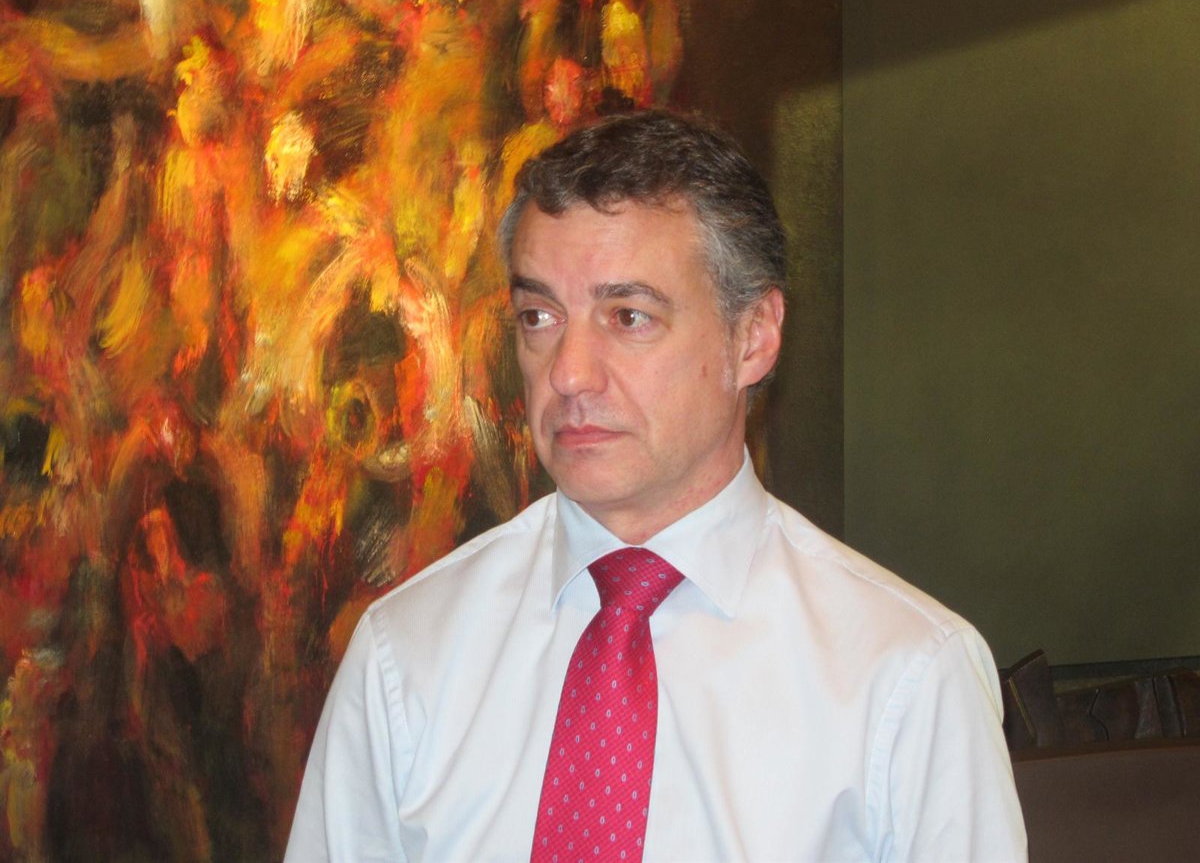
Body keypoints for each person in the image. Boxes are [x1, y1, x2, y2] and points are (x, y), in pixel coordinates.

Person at [284, 110, 1028, 861]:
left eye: (629, 316)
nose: (568, 373)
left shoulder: (905, 678)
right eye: (539, 316)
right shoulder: (406, 654)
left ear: (754, 337)